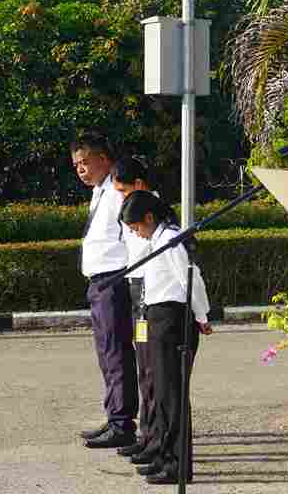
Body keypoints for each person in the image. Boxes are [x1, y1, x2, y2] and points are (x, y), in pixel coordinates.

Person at [119, 190, 212, 486]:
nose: (137, 234)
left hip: (174, 320)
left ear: (149, 217)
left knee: (172, 396)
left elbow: (191, 280)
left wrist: (202, 316)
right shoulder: (158, 240)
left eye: (136, 228)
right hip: (158, 319)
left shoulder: (172, 240)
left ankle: (177, 465)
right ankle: (162, 454)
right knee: (160, 392)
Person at [71, 133, 139, 450]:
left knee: (116, 352)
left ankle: (122, 423)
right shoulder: (100, 191)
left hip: (114, 280)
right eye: (76, 165)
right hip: (99, 283)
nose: (81, 169)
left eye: (85, 162)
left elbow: (133, 236)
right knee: (106, 353)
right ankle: (114, 417)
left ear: (103, 159)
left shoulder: (117, 188)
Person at [108, 156, 156, 459]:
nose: (121, 198)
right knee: (144, 367)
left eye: (124, 191)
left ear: (139, 185)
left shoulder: (151, 214)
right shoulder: (132, 210)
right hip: (136, 291)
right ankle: (147, 434)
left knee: (154, 372)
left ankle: (155, 437)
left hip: (151, 294)